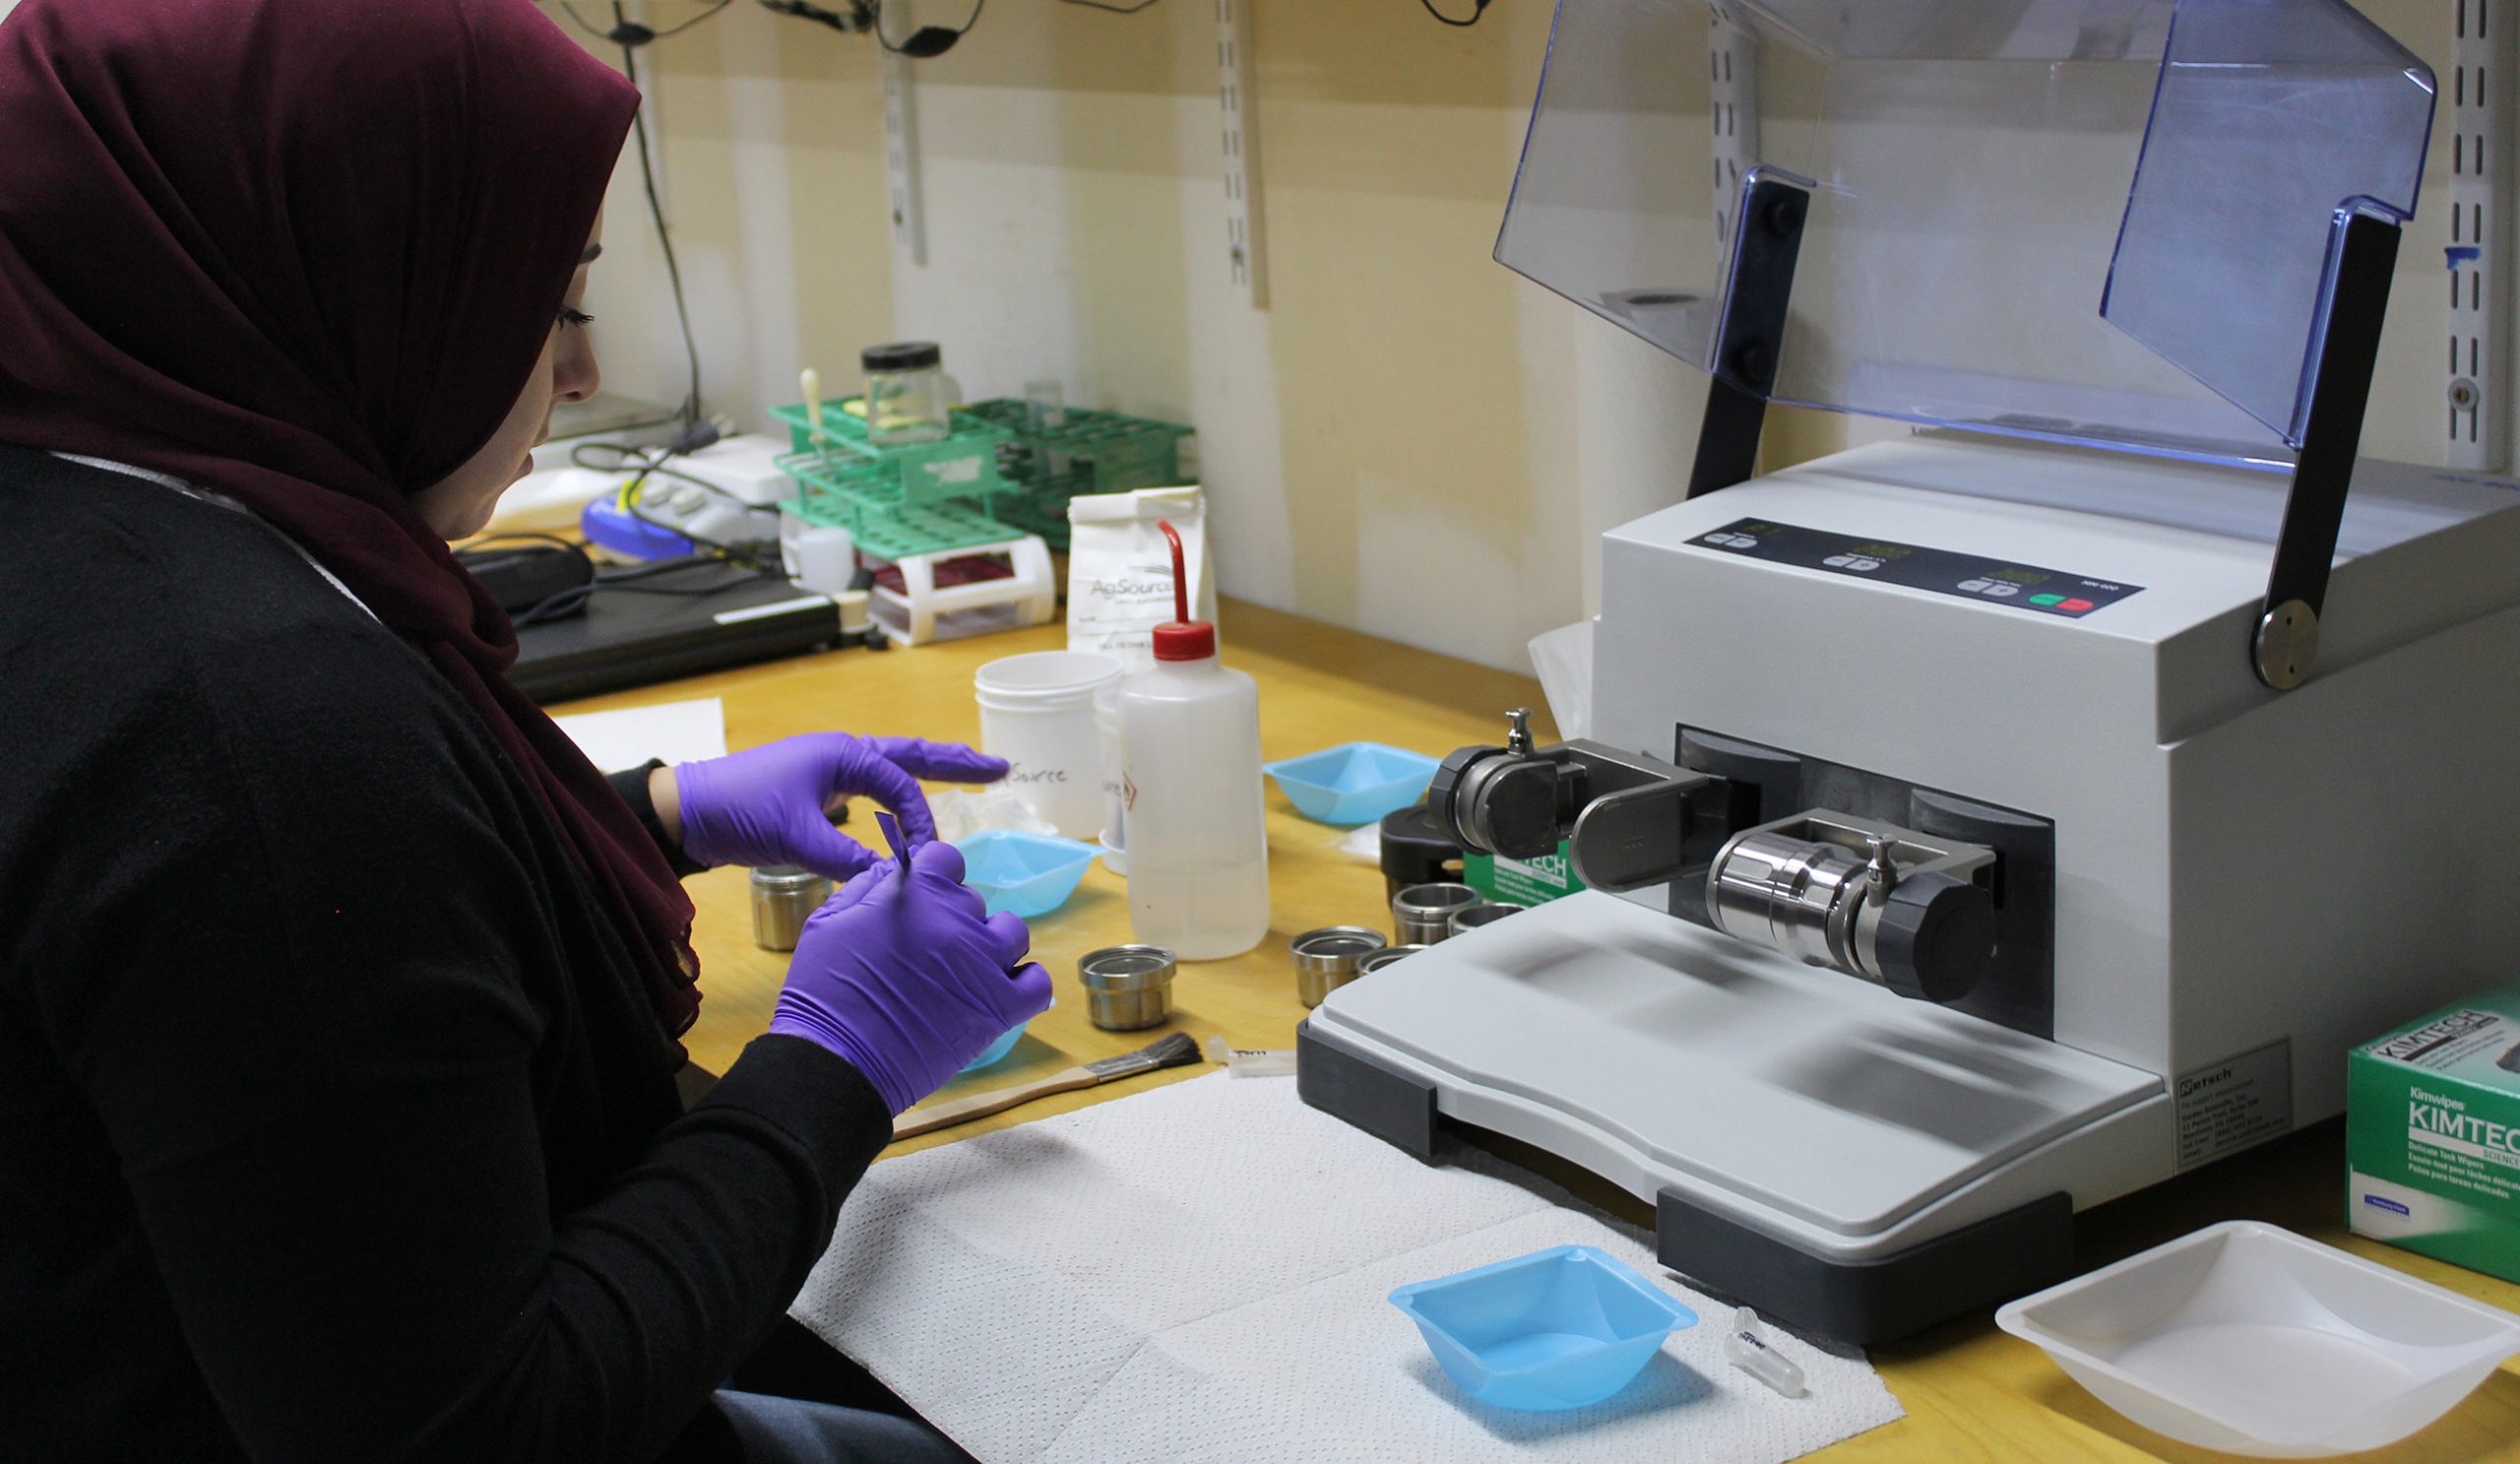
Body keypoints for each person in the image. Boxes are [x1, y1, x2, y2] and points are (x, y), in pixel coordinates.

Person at [0, 2, 1053, 1460]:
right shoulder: (250, 717)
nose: (574, 376)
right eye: (553, 298)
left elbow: (260, 972)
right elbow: (480, 1429)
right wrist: (836, 1067)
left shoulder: (79, 519)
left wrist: (655, 816)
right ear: (345, 274)